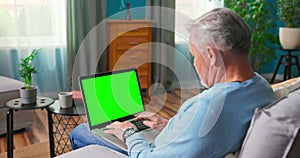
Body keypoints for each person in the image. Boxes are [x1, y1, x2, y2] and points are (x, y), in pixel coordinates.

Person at [70, 8, 275, 157]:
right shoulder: (262, 88)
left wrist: (129, 132)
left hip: (148, 151)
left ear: (212, 56)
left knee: (81, 132)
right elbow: (201, 135)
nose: (194, 63)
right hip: (172, 144)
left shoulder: (206, 106)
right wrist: (169, 126)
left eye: (194, 54)